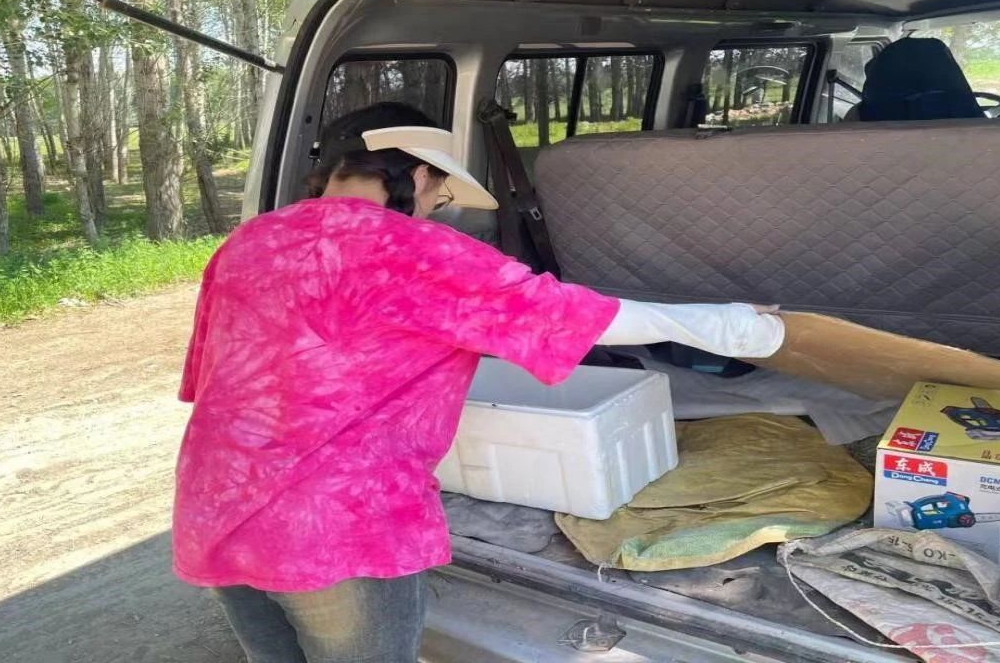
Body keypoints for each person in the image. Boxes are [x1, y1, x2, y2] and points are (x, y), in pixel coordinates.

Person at [175, 102, 785, 663]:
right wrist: (738, 327)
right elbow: (575, 316)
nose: (433, 207)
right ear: (419, 175)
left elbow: (212, 379)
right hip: (334, 528)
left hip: (213, 502)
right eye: (439, 193)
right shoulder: (411, 248)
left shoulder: (251, 239)